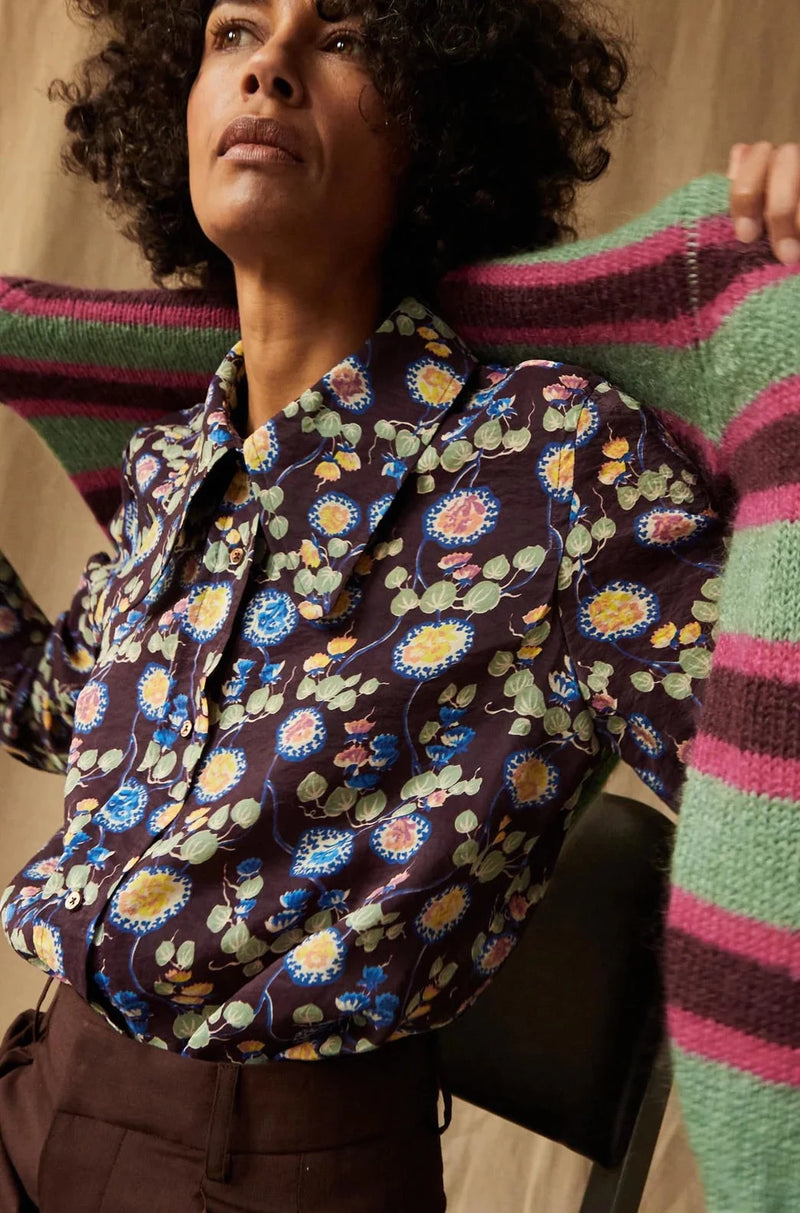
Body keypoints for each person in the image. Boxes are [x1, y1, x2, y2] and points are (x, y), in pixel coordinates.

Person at [0, 3, 797, 1210]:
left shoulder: (556, 465)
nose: (270, 66)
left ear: (438, 122)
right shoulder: (174, 463)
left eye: (345, 37)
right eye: (232, 31)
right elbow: (50, 704)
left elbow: (770, 781)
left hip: (265, 1173)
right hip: (37, 1088)